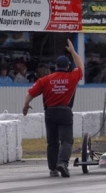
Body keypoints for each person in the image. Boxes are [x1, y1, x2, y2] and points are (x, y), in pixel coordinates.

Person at [22, 39, 84, 178]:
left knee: (52, 142)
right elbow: (81, 66)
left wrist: (25, 106)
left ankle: (53, 169)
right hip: (65, 112)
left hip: (50, 112)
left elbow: (30, 93)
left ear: (55, 67)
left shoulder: (45, 80)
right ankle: (62, 163)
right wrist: (73, 51)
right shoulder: (73, 76)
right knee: (67, 140)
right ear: (68, 67)